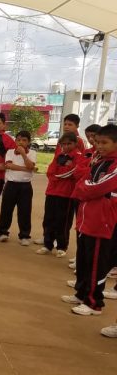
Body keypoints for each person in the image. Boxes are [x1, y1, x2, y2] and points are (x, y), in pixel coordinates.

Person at [63, 124, 117, 316]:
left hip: (101, 222)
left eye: (104, 143)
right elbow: (82, 180)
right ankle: (81, 293)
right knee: (84, 260)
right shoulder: (98, 160)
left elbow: (96, 188)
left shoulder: (114, 165)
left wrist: (85, 188)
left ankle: (94, 302)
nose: (99, 146)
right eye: (97, 142)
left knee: (96, 264)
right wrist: (86, 187)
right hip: (87, 219)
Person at [36, 133, 81, 256]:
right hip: (52, 192)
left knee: (63, 221)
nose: (66, 146)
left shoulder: (78, 157)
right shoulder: (58, 156)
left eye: (69, 144)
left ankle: (62, 246)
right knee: (48, 219)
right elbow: (50, 172)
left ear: (75, 144)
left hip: (66, 194)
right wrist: (59, 175)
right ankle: (47, 244)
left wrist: (59, 175)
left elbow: (73, 173)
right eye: (63, 144)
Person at [0, 130, 36, 244]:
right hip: (11, 184)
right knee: (6, 209)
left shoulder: (32, 153)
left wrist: (24, 154)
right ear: (15, 141)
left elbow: (30, 165)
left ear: (28, 142)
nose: (21, 142)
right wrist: (28, 169)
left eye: (24, 140)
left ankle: (24, 235)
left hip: (25, 186)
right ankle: (3, 232)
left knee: (25, 211)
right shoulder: (10, 152)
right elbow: (9, 165)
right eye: (18, 140)